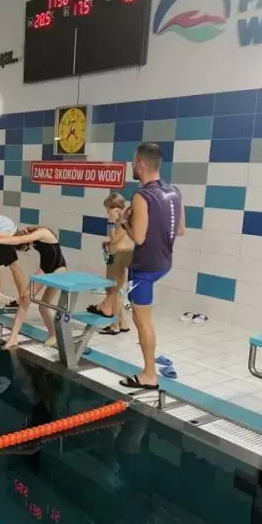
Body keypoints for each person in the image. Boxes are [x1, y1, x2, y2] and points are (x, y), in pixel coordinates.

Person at [119, 143, 185, 391]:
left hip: (144, 268)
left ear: (141, 164)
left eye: (133, 162)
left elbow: (138, 237)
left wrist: (123, 222)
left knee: (142, 320)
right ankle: (149, 370)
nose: (132, 166)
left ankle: (149, 374)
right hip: (164, 261)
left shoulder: (141, 195)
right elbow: (180, 229)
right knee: (144, 319)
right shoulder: (174, 191)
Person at [0, 226, 66, 348]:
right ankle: (14, 336)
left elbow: (19, 240)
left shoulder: (43, 232)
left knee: (43, 307)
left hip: (58, 269)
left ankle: (53, 335)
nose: (29, 247)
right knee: (25, 298)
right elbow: (12, 236)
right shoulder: (29, 235)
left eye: (27, 247)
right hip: (44, 268)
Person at [88, 192, 133, 335]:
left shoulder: (121, 220)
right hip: (121, 256)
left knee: (113, 291)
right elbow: (118, 239)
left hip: (118, 257)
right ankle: (123, 323)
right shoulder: (125, 218)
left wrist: (111, 222)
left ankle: (115, 326)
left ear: (116, 208)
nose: (107, 212)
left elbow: (114, 239)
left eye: (108, 208)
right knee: (116, 292)